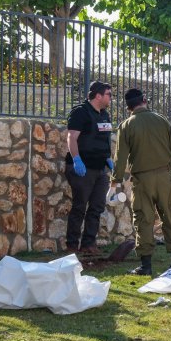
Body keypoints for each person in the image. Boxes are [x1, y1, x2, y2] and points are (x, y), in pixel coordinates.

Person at [110, 88, 171, 276]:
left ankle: (146, 265)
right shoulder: (162, 121)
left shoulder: (126, 126)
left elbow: (120, 158)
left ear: (128, 107)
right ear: (144, 100)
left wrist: (115, 183)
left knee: (143, 219)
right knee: (169, 215)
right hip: (165, 177)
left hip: (142, 180)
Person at [64, 81, 114, 255]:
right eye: (109, 94)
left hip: (100, 169)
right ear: (98, 95)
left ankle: (88, 244)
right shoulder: (81, 112)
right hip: (82, 168)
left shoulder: (104, 115)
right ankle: (72, 246)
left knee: (97, 207)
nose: (111, 98)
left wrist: (108, 159)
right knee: (79, 206)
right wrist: (76, 159)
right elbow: (72, 138)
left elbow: (103, 139)